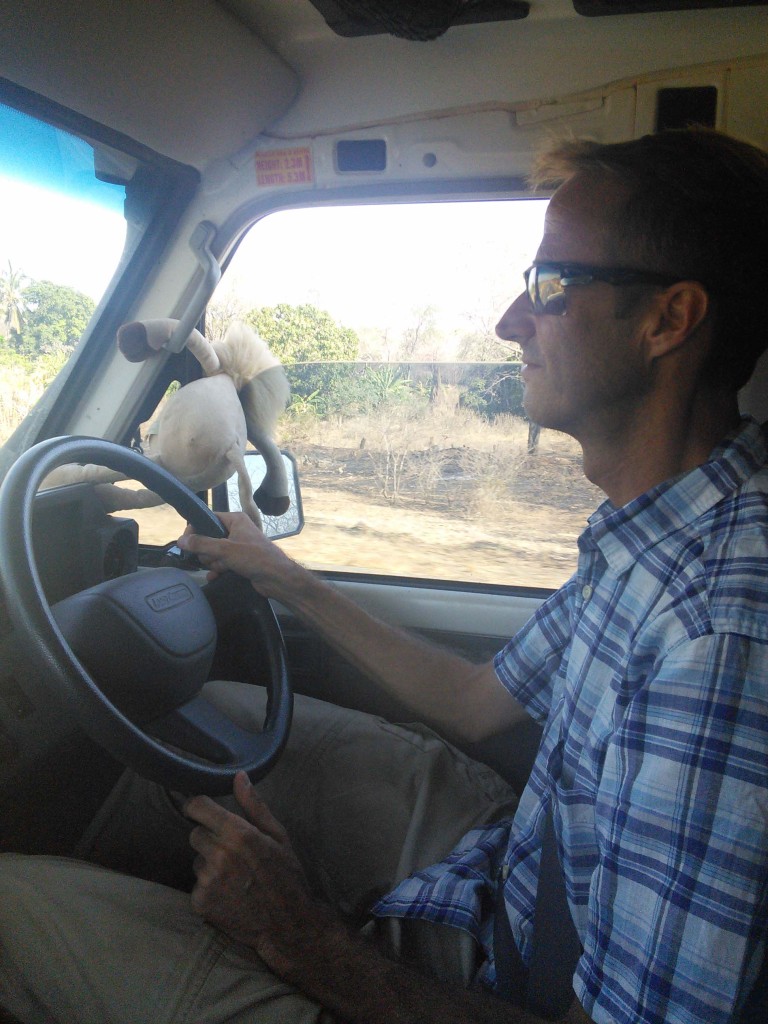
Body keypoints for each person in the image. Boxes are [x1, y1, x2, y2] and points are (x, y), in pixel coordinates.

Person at [2, 127, 768, 1024]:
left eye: (549, 287)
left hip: (504, 976)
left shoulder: (719, 636)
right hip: (511, 867)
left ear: (667, 321)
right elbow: (481, 700)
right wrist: (281, 576)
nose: (510, 322)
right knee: (205, 721)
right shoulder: (659, 531)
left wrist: (301, 935)